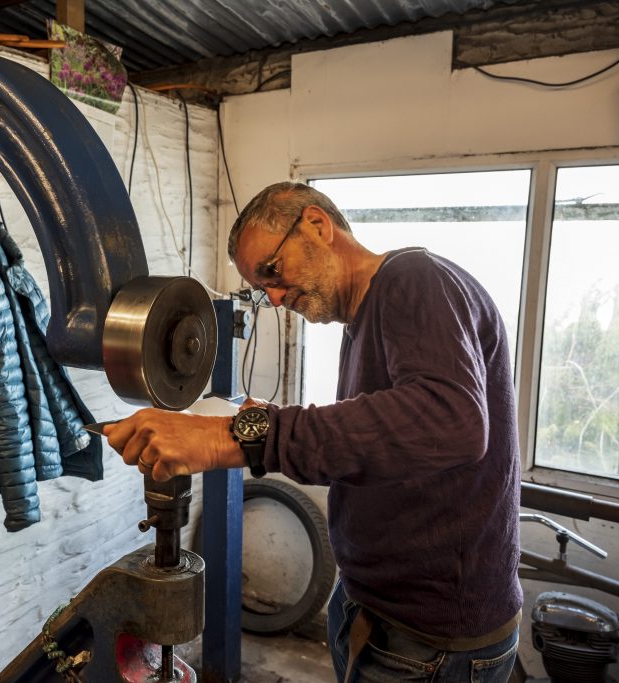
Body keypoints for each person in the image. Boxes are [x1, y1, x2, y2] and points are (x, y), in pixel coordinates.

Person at [104, 181, 521, 682]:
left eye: (272, 272)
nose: (276, 298)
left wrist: (226, 439)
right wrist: (253, 421)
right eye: (263, 289)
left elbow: (448, 421)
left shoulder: (415, 279)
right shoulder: (367, 316)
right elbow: (375, 437)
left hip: (428, 639)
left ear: (317, 225)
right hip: (376, 611)